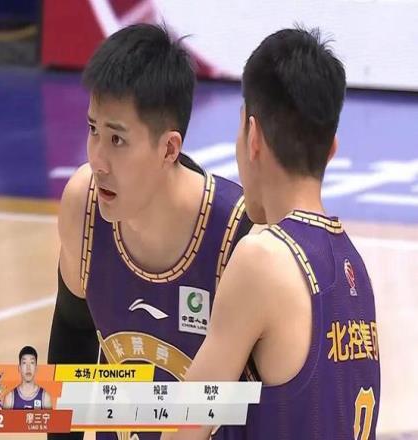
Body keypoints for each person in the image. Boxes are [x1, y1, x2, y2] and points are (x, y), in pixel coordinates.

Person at [163, 27, 380, 440]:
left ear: (254, 137)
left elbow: (186, 427)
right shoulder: (356, 269)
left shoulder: (261, 258)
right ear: (331, 149)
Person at [47, 24, 253, 440]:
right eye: (93, 130)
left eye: (117, 140)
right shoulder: (83, 205)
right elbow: (72, 337)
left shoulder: (240, 237)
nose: (98, 159)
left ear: (169, 149)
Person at [3, 346, 52, 410]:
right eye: (24, 363)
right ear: (19, 368)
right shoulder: (9, 399)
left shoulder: (45, 398)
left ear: (36, 368)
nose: (28, 368)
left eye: (32, 363)